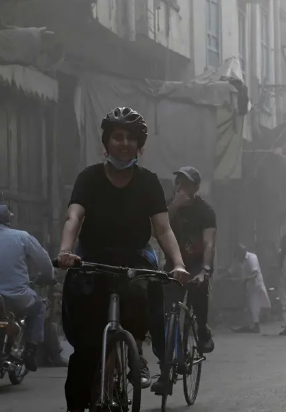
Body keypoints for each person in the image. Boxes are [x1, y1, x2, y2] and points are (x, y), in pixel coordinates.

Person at [56, 107, 188, 412]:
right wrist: (66, 251)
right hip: (93, 258)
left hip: (134, 258)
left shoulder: (149, 182)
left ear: (139, 146)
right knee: (84, 353)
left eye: (131, 138)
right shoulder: (88, 178)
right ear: (106, 142)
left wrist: (178, 264)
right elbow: (73, 217)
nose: (124, 143)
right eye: (117, 136)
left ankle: (135, 351)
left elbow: (163, 229)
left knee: (145, 295)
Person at [149, 166, 217, 394]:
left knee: (199, 291)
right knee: (166, 314)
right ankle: (166, 373)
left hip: (197, 263)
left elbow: (209, 243)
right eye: (179, 183)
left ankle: (203, 328)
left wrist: (205, 270)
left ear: (196, 188)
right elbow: (155, 230)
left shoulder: (205, 211)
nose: (182, 188)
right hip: (174, 265)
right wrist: (175, 206)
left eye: (187, 184)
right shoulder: (169, 206)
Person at [0, 204, 54, 372]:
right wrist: (46, 277)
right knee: (39, 307)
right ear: (8, 219)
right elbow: (45, 264)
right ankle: (30, 350)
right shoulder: (22, 237)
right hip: (16, 298)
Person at [231, 244, 271, 333]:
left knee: (254, 305)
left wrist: (245, 279)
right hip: (247, 286)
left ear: (242, 253)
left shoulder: (252, 258)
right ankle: (250, 325)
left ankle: (255, 326)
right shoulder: (239, 258)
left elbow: (255, 273)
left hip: (256, 285)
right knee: (249, 305)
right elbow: (231, 270)